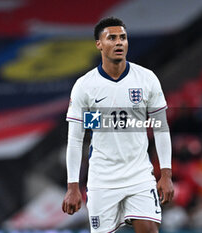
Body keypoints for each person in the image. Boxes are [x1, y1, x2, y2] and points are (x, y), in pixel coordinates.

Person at [62, 17, 174, 233]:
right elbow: (75, 139)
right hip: (102, 179)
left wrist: (166, 175)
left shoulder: (146, 79)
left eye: (122, 37)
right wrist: (73, 186)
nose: (119, 42)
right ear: (99, 44)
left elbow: (161, 129)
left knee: (149, 230)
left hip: (139, 175)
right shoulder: (85, 86)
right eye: (111, 38)